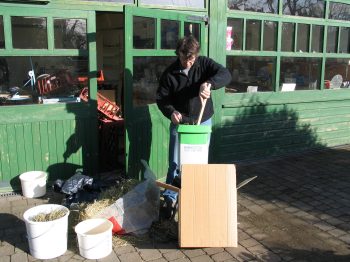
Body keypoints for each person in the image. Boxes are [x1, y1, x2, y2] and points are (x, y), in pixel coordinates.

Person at [156, 36, 232, 219]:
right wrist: (171, 112)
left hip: (202, 120)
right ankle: (170, 197)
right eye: (183, 59)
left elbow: (226, 74)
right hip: (180, 122)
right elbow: (162, 98)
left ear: (196, 56)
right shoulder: (170, 73)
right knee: (175, 162)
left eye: (191, 59)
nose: (187, 63)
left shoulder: (204, 64)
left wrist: (210, 84)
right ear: (178, 54)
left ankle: (198, 195)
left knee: (199, 161)